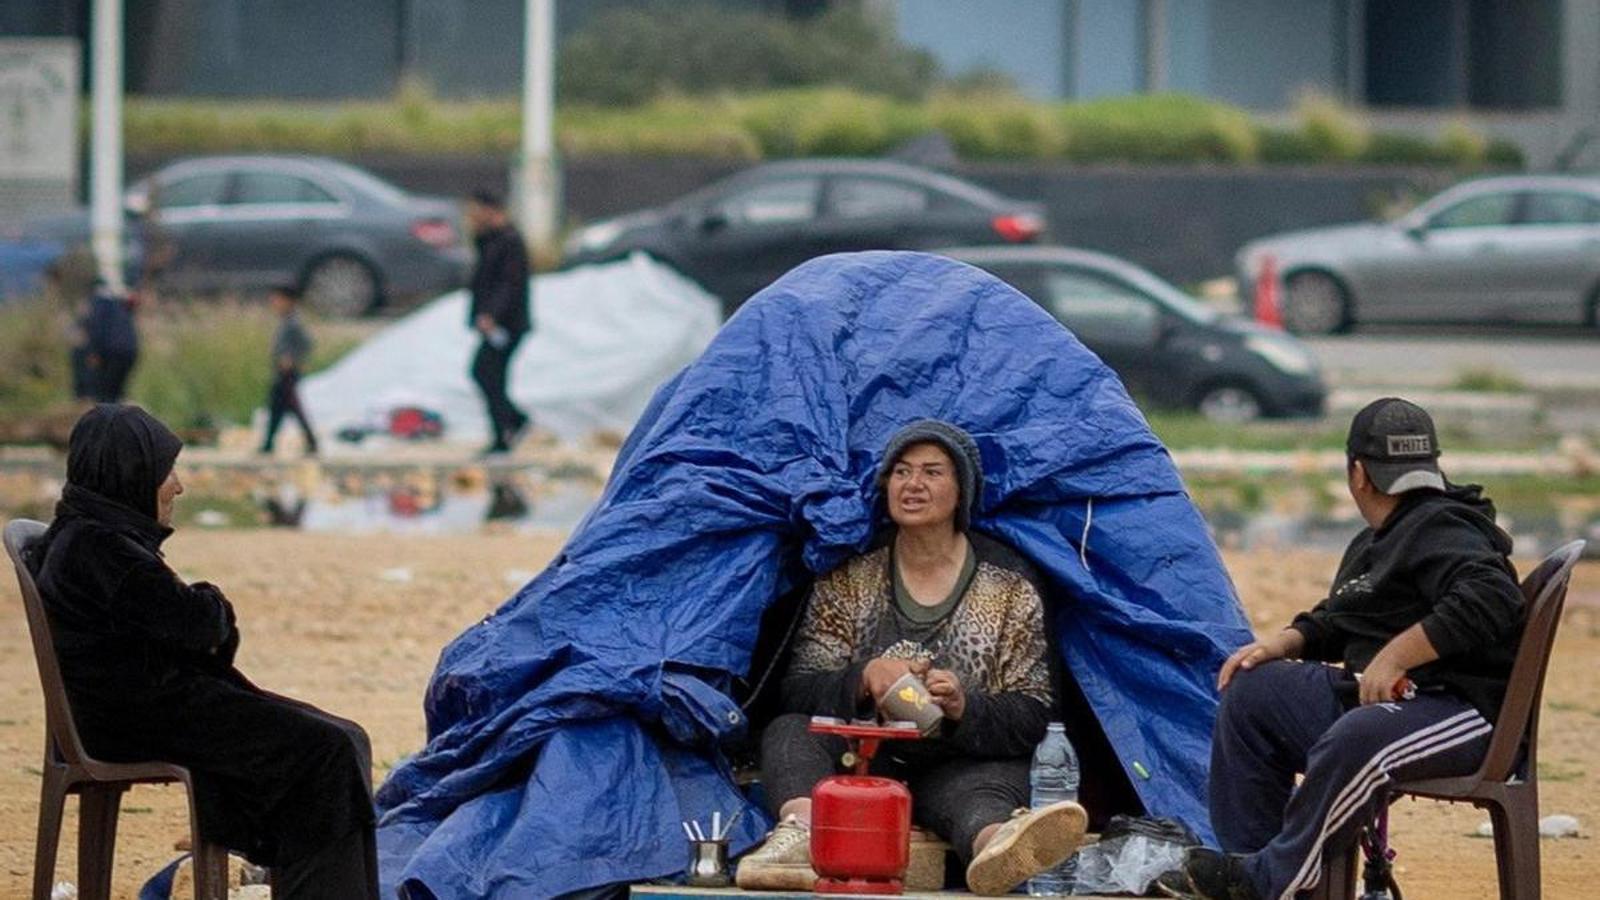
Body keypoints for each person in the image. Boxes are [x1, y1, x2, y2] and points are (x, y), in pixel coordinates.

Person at [25, 404, 379, 899]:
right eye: (165, 471)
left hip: (148, 706)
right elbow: (199, 627)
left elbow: (191, 631)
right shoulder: (101, 549)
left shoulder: (89, 536)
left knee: (345, 738)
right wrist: (212, 599)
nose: (177, 485)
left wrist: (205, 614)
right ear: (131, 474)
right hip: (138, 719)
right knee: (325, 752)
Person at [1178, 398, 1524, 900]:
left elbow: (1492, 596)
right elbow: (1346, 617)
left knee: (1359, 738)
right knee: (1251, 695)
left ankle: (1274, 881)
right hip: (1391, 704)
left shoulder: (1443, 526)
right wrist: (1284, 642)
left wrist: (1397, 656)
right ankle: (1251, 867)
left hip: (1462, 712)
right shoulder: (1380, 540)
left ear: (1357, 473)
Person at [737, 419, 1087, 896]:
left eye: (932, 473)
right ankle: (802, 835)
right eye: (901, 472)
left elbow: (1037, 713)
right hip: (863, 760)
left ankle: (999, 852)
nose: (913, 485)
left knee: (980, 798)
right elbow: (798, 686)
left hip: (961, 762)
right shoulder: (850, 576)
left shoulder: (1009, 586)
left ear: (961, 491)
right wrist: (865, 678)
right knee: (788, 732)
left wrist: (966, 707)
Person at [464, 188, 532, 457]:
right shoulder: (489, 240)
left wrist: (491, 314)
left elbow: (508, 284)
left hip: (506, 324)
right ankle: (510, 424)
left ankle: (506, 430)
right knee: (487, 374)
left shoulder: (510, 241)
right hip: (492, 323)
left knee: (487, 373)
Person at [259, 286, 319, 456]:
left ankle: (310, 442)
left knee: (292, 407)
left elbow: (307, 343)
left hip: (288, 374)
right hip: (281, 372)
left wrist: (292, 358)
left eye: (278, 299)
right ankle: (269, 444)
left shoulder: (293, 322)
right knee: (277, 408)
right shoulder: (286, 321)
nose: (274, 303)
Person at [82, 284, 140, 402]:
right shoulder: (119, 302)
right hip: (130, 350)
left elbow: (96, 328)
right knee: (116, 391)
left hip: (112, 351)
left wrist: (94, 352)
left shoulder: (99, 303)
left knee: (105, 393)